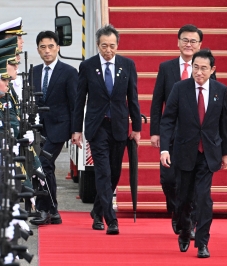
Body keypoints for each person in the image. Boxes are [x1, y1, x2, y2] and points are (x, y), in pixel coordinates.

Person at [160, 49, 227, 258]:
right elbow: (168, 120)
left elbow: (223, 123)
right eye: (196, 67)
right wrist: (165, 149)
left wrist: (226, 152)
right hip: (183, 152)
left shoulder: (220, 90)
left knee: (203, 198)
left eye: (204, 68)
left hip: (208, 153)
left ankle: (202, 243)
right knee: (183, 198)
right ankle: (184, 230)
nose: (199, 72)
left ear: (212, 70)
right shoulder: (180, 88)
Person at [72, 24, 141, 235]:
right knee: (103, 172)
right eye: (104, 46)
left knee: (115, 173)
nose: (108, 50)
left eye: (112, 46)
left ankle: (96, 211)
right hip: (97, 126)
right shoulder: (88, 66)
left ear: (117, 45)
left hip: (119, 126)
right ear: (97, 45)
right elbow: (79, 99)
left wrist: (136, 127)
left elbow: (133, 98)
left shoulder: (127, 65)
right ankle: (110, 219)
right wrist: (77, 130)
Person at [150, 24, 216, 238]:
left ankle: (191, 220)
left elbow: (213, 106)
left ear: (200, 45)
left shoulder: (207, 69)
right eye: (185, 40)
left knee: (195, 184)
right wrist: (156, 131)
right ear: (178, 42)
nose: (189, 44)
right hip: (172, 135)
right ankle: (178, 211)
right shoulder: (166, 67)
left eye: (193, 41)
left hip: (196, 137)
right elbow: (157, 100)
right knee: (168, 180)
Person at [29, 31, 78, 226]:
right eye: (43, 47)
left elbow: (75, 103)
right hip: (38, 129)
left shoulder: (69, 72)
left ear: (58, 47)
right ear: (38, 50)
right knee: (43, 166)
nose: (47, 51)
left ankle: (42, 209)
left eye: (50, 46)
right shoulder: (34, 72)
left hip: (60, 127)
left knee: (43, 163)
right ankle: (53, 210)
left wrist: (76, 131)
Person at [0, 17, 26, 100]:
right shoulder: (3, 66)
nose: (22, 41)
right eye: (18, 38)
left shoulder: (14, 67)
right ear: (7, 40)